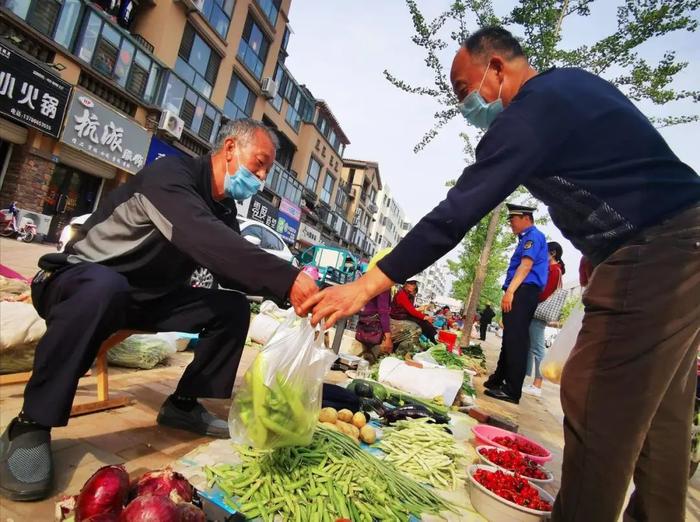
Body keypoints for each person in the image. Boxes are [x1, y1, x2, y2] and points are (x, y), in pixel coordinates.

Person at [302, 26, 700, 522]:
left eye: (464, 90)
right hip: (683, 239)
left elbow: (454, 214)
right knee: (662, 416)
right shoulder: (570, 87)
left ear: (495, 67)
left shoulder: (531, 113)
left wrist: (365, 285)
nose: (466, 105)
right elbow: (617, 173)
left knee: (596, 397)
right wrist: (599, 250)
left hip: (659, 247)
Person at [0, 119, 318, 502]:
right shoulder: (171, 175)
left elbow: (230, 265)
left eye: (267, 170)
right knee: (106, 285)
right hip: (76, 283)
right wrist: (288, 277)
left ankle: (183, 405)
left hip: (143, 299)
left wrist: (292, 297)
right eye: (260, 163)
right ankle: (31, 422)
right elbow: (205, 239)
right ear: (231, 148)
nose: (262, 177)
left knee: (231, 309)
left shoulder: (223, 209)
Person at [483, 204, 548, 404]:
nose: (511, 224)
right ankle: (499, 379)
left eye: (513, 219)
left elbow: (526, 266)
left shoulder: (533, 237)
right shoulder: (527, 238)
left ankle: (512, 390)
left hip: (523, 291)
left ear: (525, 218)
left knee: (517, 340)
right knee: (510, 338)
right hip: (521, 290)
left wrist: (510, 292)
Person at [522, 241, 565, 397]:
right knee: (533, 346)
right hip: (537, 312)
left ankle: (537, 384)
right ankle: (531, 381)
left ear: (552, 253)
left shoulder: (554, 270)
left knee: (538, 348)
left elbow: (545, 292)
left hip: (539, 312)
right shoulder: (552, 268)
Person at [355, 248, 394, 362]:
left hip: (363, 323)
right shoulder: (383, 282)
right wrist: (388, 336)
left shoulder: (367, 276)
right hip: (374, 327)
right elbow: (383, 310)